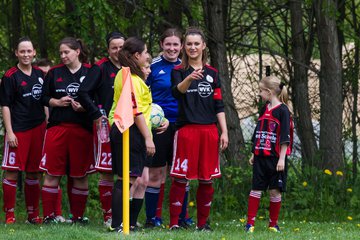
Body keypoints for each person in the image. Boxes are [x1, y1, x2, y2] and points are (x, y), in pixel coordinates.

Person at [168, 27, 229, 231]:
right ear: (184, 47)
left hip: (209, 131)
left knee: (206, 179)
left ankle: (203, 224)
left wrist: (224, 132)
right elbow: (177, 93)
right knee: (180, 178)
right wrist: (190, 78)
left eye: (196, 44)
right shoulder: (178, 71)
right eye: (189, 44)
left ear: (203, 46)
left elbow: (219, 105)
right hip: (187, 131)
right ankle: (175, 223)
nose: (193, 47)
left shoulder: (213, 73)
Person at [40, 37, 94, 224]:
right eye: (61, 53)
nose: (63, 56)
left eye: (66, 52)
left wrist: (85, 107)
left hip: (82, 130)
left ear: (77, 51)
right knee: (53, 173)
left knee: (80, 174)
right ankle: (49, 216)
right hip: (58, 128)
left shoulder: (90, 71)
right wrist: (56, 102)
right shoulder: (54, 73)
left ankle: (78, 217)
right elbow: (43, 98)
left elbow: (98, 99)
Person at [144, 28, 192, 228]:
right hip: (160, 126)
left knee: (183, 174)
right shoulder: (153, 67)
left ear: (181, 46)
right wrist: (153, 120)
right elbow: (141, 96)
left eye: (176, 44)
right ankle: (152, 218)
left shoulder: (189, 66)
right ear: (162, 45)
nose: (172, 48)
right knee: (157, 174)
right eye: (168, 44)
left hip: (184, 126)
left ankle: (182, 216)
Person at [77, 31, 126, 227]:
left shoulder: (131, 67)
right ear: (108, 50)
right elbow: (83, 92)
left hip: (128, 127)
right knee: (107, 172)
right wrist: (97, 115)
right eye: (113, 48)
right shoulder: (100, 68)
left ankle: (124, 217)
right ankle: (108, 216)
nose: (117, 51)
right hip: (106, 127)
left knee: (126, 171)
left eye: (121, 47)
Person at [108, 37, 155, 232]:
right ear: (137, 55)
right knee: (127, 179)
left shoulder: (128, 74)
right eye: (145, 53)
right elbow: (136, 111)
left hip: (129, 130)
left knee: (131, 178)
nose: (147, 57)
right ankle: (117, 224)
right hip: (130, 130)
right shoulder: (130, 78)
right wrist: (148, 138)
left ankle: (127, 223)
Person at [0, 37, 46, 224]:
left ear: (34, 52)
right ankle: (10, 215)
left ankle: (32, 215)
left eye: (29, 51)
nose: (26, 55)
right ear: (16, 53)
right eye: (22, 51)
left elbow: (45, 102)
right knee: (12, 171)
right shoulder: (10, 76)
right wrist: (9, 132)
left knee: (34, 172)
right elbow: (5, 105)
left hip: (39, 128)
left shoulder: (41, 74)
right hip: (18, 129)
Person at [245, 75, 293, 233]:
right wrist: (253, 152)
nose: (259, 94)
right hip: (260, 157)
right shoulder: (264, 108)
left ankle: (273, 224)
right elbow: (258, 131)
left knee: (274, 190)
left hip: (276, 159)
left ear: (269, 91)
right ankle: (249, 224)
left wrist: (282, 159)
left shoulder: (283, 111)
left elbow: (285, 137)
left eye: (261, 91)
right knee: (256, 189)